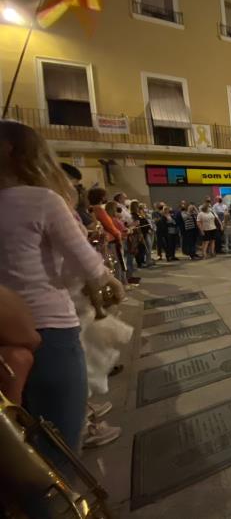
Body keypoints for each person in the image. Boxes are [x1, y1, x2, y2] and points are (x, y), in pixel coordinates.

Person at [0, 121, 125, 475]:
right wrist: (108, 282)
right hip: (47, 326)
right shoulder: (41, 200)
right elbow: (86, 261)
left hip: (4, 330)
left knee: (18, 438)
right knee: (58, 444)